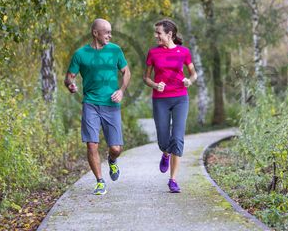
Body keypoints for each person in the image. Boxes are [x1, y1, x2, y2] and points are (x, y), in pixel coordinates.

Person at [65, 18, 131, 195]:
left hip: (111, 104)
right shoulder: (80, 54)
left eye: (110, 32)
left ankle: (111, 160)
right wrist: (70, 84)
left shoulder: (115, 50)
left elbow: (126, 71)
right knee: (91, 144)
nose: (110, 35)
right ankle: (100, 181)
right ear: (96, 33)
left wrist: (121, 90)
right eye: (107, 32)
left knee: (116, 148)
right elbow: (69, 76)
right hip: (90, 103)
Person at [143, 19, 197, 193]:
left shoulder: (184, 52)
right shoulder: (153, 53)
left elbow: (193, 74)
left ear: (169, 34)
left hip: (180, 98)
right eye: (156, 32)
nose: (156, 35)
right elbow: (146, 78)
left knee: (178, 138)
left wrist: (189, 80)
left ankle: (173, 180)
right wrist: (154, 85)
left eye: (158, 33)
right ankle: (165, 153)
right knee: (164, 140)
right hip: (160, 99)